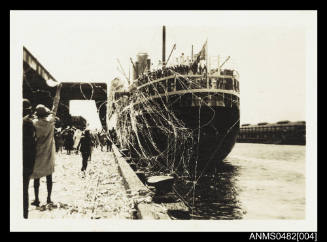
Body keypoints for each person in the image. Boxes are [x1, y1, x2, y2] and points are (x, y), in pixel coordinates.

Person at [30, 83, 62, 206]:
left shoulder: (34, 123)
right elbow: (55, 105)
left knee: (36, 176)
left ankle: (37, 199)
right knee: (49, 176)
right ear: (45, 114)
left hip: (37, 152)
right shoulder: (50, 121)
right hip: (49, 152)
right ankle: (48, 198)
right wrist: (58, 91)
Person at [22, 98, 36, 218]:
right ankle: (24, 217)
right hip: (26, 164)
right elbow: (32, 145)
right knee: (24, 191)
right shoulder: (28, 123)